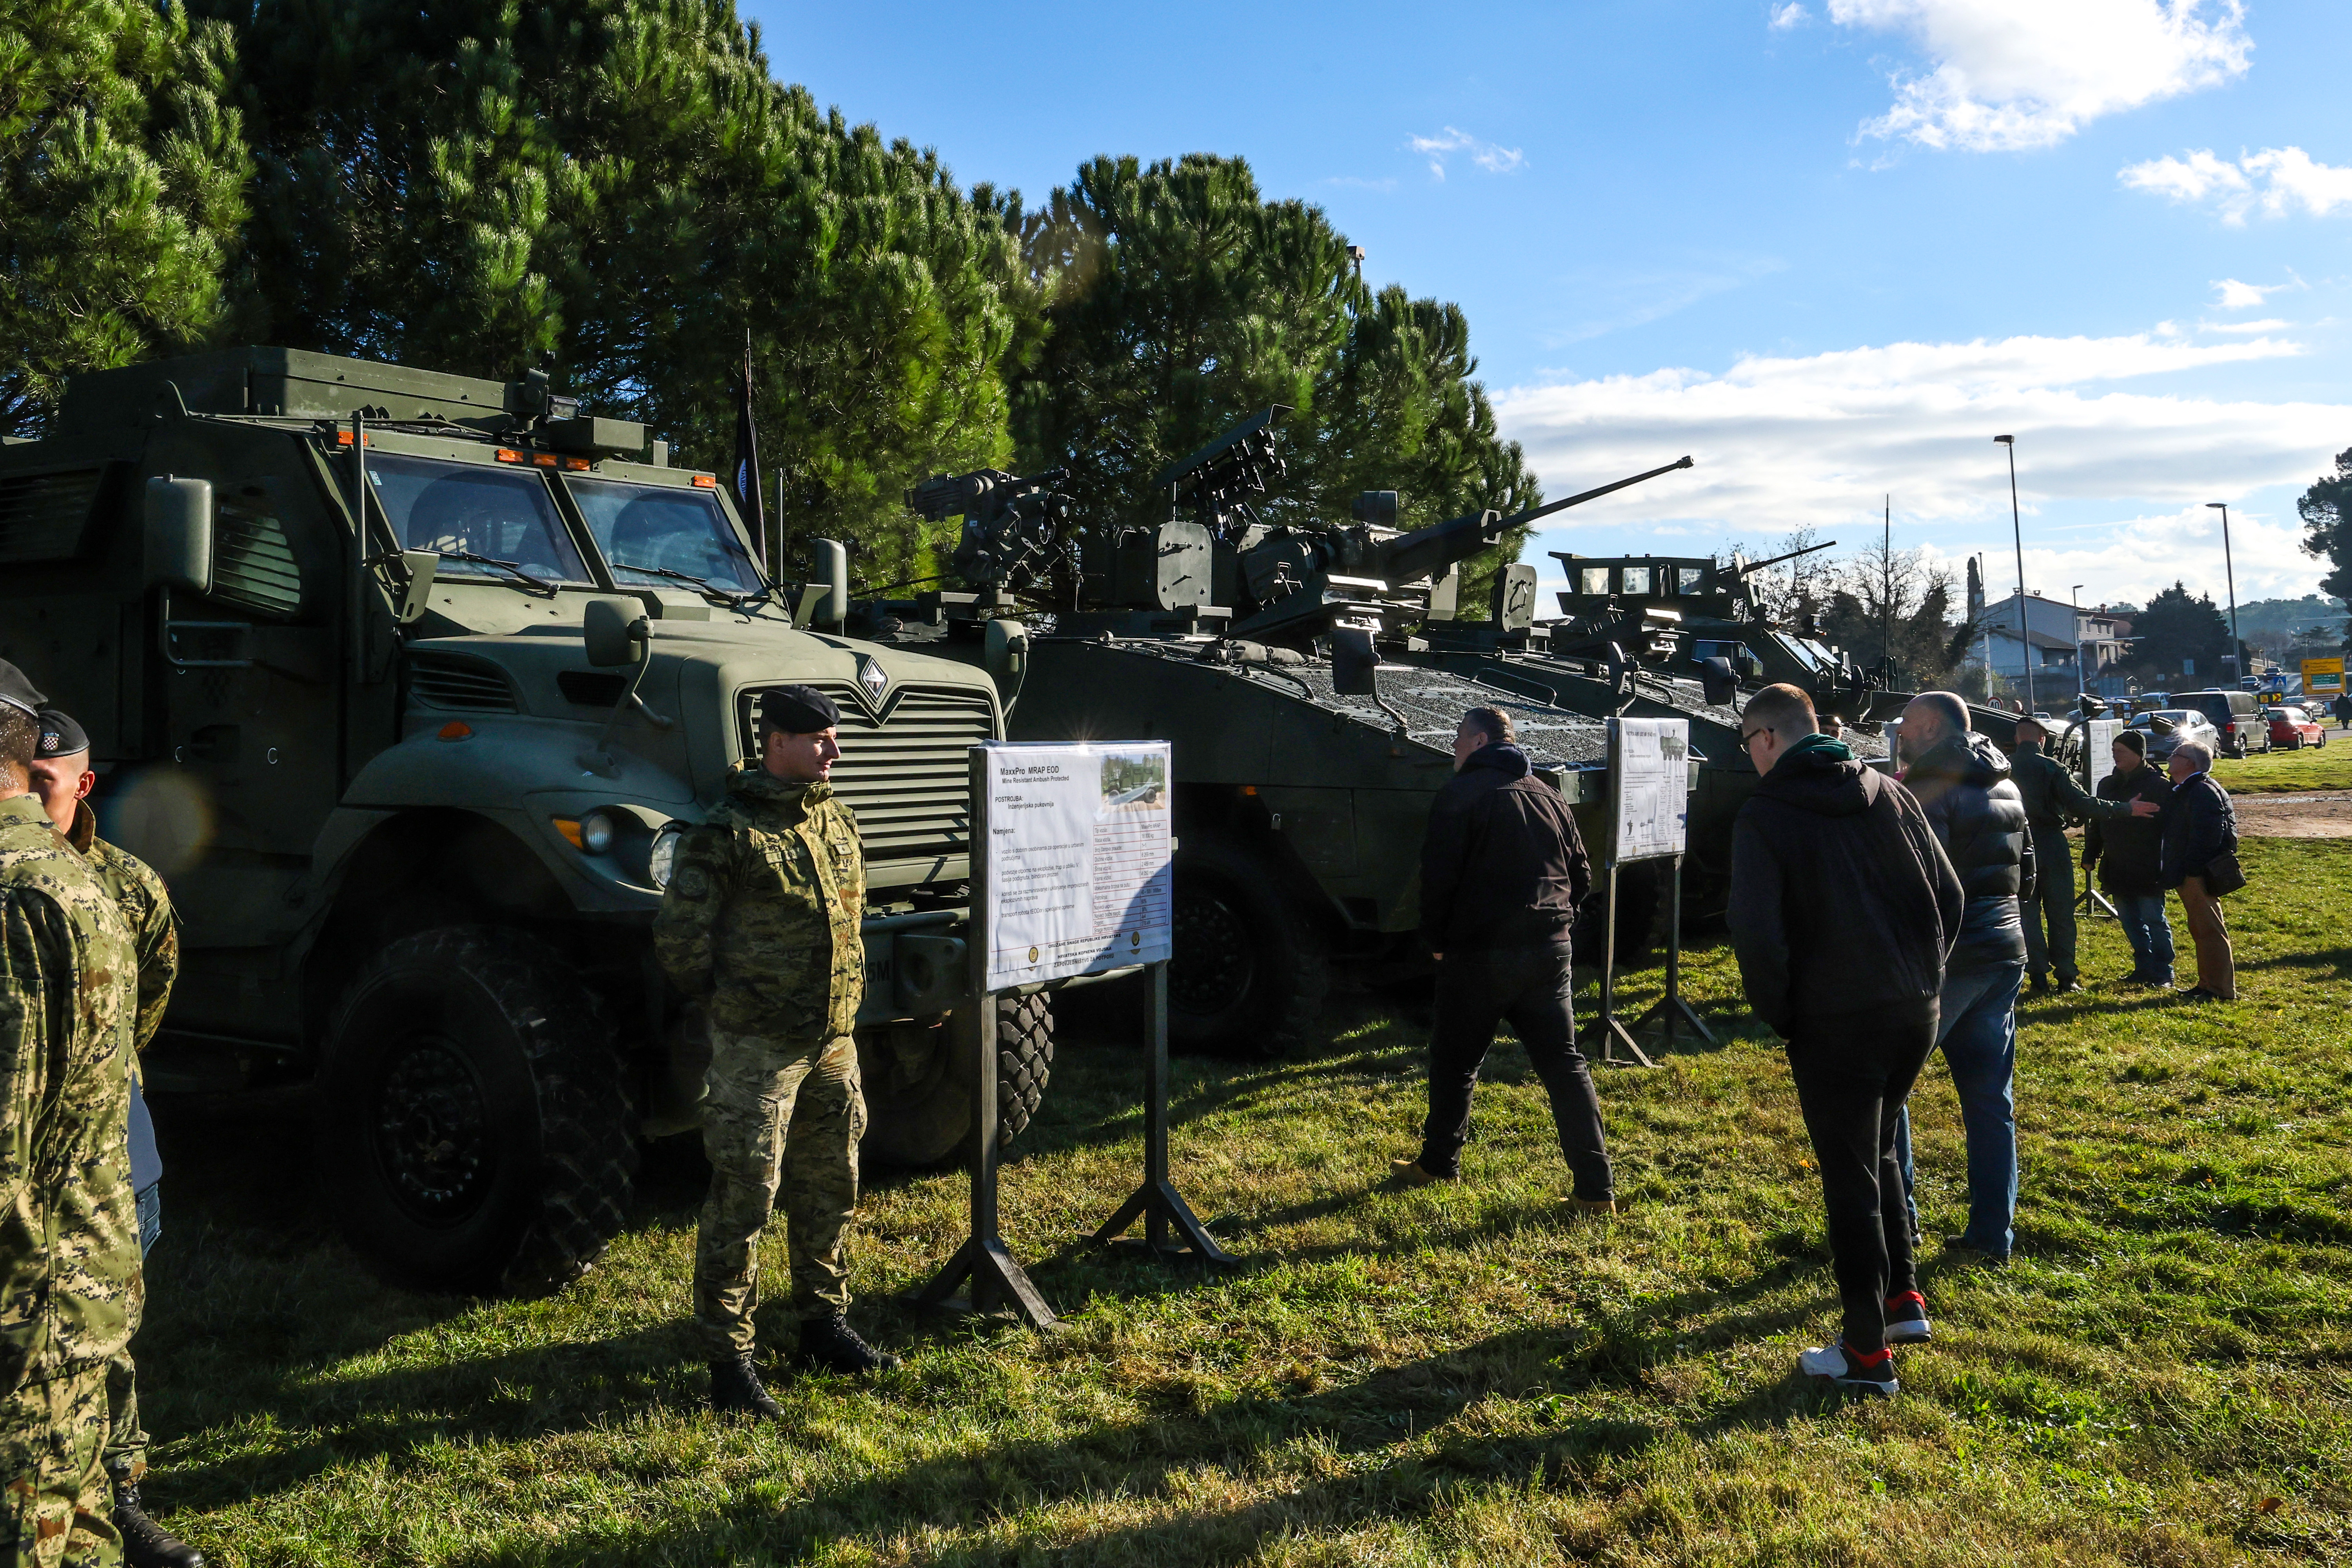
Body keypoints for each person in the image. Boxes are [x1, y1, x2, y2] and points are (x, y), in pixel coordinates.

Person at [652, 685, 897, 1423]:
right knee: (744, 1199)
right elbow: (681, 945)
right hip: (759, 1049)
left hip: (832, 1043)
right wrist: (738, 1007)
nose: (835, 751)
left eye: (834, 737)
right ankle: (730, 1363)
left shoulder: (836, 819)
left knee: (832, 1184)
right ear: (778, 743)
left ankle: (824, 1325)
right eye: (821, 739)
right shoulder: (725, 835)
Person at [1727, 684, 1962, 1396]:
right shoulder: (1889, 792)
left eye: (1746, 744)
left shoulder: (1765, 814)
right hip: (1914, 1008)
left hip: (1835, 1020)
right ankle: (1903, 1302)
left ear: (1767, 738)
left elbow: (1756, 935)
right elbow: (1949, 895)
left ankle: (1865, 1355)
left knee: (1849, 1178)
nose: (1749, 758)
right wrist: (1924, 976)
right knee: (1881, 1148)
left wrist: (1784, 1014)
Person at [25, 711, 198, 1568]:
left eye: (44, 782)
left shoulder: (124, 885)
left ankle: (119, 1496)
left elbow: (148, 1000)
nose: (26, 794)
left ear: (82, 786)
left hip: (111, 1154)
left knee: (106, 1338)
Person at [0, 661, 141, 1566]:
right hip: (71, 1273)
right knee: (74, 1520)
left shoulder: (14, 895)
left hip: (23, 1300)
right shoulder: (66, 874)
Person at [1390, 707, 1615, 1217]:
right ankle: (1596, 1191)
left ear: (1478, 741)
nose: (1453, 751)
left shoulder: (1460, 796)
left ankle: (1438, 1164)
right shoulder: (1549, 796)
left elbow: (1438, 879)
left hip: (1479, 956)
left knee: (1456, 1062)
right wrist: (1560, 922)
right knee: (1564, 1066)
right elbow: (1580, 876)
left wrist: (1438, 940)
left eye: (1456, 740)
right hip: (1550, 951)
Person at [1892, 692, 2034, 1263]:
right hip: (2004, 950)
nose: (1899, 733)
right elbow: (2028, 877)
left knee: (1888, 1090)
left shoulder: (1928, 788)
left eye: (1906, 725)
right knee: (1990, 1103)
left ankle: (1900, 1223)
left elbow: (1920, 887)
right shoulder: (2008, 781)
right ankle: (1991, 1236)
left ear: (1928, 728)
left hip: (1948, 960)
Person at [2008, 717, 2158, 994]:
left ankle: (2037, 977)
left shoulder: (2005, 768)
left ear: (2018, 739)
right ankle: (2067, 976)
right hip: (2051, 844)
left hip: (2016, 845)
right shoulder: (2052, 768)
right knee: (2061, 912)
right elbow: (2082, 804)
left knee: (2027, 915)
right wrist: (2125, 808)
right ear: (2042, 739)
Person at [2081, 730, 2176, 987]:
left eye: (2121, 751)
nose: (2115, 756)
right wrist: (2091, 854)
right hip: (2117, 863)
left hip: (2147, 865)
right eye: (2113, 751)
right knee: (2130, 920)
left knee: (2154, 918)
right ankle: (2143, 966)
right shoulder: (2107, 785)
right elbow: (2097, 823)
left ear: (2139, 754)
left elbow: (2170, 827)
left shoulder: (2158, 786)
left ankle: (2163, 970)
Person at [2158, 741, 2238, 1003]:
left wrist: (2192, 870)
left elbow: (2210, 836)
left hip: (2198, 874)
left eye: (2175, 755)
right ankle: (2207, 984)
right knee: (2200, 929)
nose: (2170, 759)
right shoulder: (2190, 789)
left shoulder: (2201, 791)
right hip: (2193, 872)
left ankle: (2220, 989)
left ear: (2189, 763)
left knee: (2210, 930)